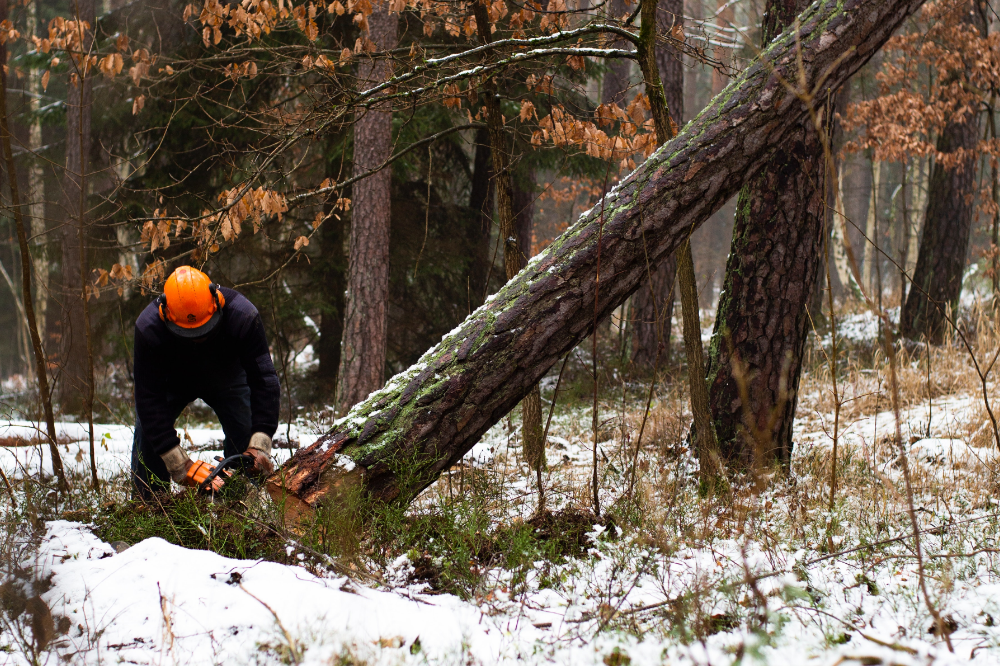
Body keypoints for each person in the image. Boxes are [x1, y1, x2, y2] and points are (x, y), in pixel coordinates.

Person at [131, 265, 280, 498]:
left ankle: (239, 503)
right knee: (148, 438)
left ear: (217, 302)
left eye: (205, 330)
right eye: (189, 333)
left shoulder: (243, 315)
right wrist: (177, 462)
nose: (199, 338)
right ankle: (148, 506)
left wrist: (260, 443)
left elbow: (265, 381)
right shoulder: (149, 328)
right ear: (165, 315)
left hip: (227, 375)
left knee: (246, 432)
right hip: (172, 380)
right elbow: (148, 398)